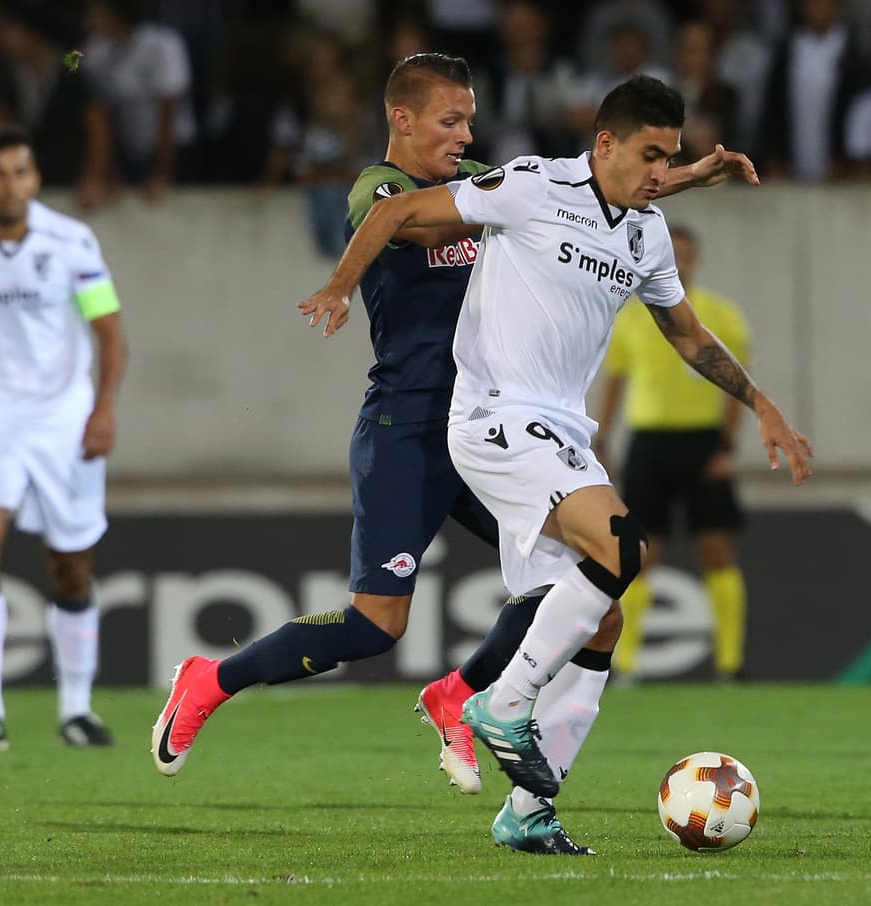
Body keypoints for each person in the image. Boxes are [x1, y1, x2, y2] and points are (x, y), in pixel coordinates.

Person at [150, 54, 761, 851]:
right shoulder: (379, 189)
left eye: (470, 121)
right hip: (407, 428)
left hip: (494, 427)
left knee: (583, 586)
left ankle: (466, 696)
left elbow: (584, 186)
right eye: (450, 121)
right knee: (376, 626)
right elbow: (396, 218)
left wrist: (684, 177)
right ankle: (211, 680)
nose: (466, 136)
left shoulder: (488, 182)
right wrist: (338, 287)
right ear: (402, 120)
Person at [299, 73, 811, 852]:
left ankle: (529, 812)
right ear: (603, 144)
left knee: (603, 615)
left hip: (563, 431)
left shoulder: (645, 231)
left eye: (668, 160)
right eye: (648, 156)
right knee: (624, 547)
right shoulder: (533, 186)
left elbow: (689, 336)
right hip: (493, 415)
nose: (657, 175)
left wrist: (763, 405)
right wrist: (340, 286)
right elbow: (399, 208)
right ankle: (499, 703)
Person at [0, 125, 127, 750]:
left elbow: (109, 333)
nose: (9, 184)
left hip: (64, 417)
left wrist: (104, 411)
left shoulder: (72, 240)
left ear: (35, 180)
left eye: (20, 172)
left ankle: (76, 709)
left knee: (70, 564)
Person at [595, 224, 751, 684]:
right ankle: (625, 665)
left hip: (704, 444)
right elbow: (616, 383)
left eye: (686, 254)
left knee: (717, 550)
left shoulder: (722, 316)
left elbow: (736, 388)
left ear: (695, 260)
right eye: (672, 254)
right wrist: (602, 440)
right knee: (641, 553)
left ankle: (730, 665)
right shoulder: (631, 317)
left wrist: (726, 447)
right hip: (650, 443)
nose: (679, 262)